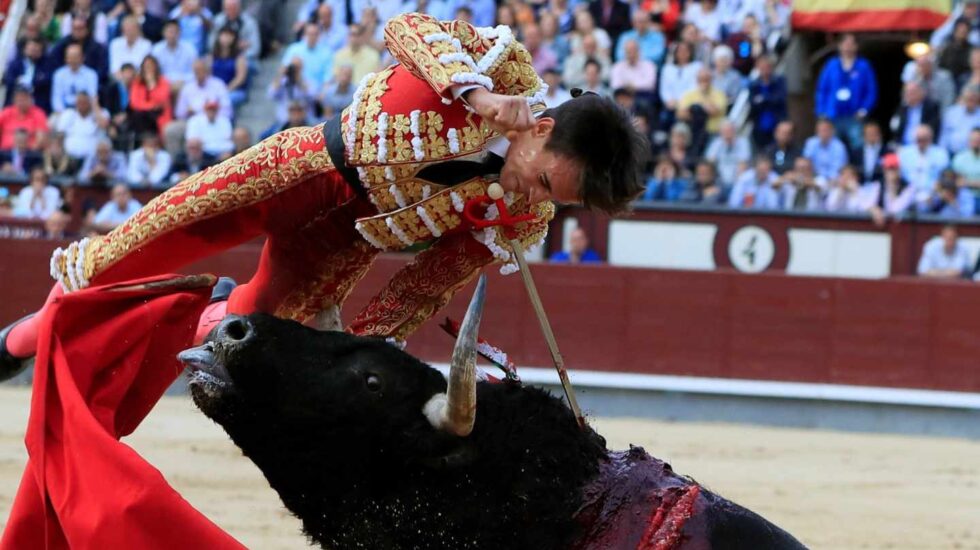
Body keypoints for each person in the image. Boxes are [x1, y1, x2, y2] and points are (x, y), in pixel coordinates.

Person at [0, 13, 650, 379]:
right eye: (542, 181)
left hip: (343, 245)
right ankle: (16, 344)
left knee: (236, 340)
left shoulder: (523, 216)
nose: (535, 198)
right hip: (299, 169)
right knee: (125, 253)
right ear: (540, 129)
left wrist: (368, 355)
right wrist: (477, 96)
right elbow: (407, 29)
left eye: (555, 201)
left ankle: (210, 313)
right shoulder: (506, 73)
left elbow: (425, 284)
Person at [814, 33, 877, 149]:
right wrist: (821, 111)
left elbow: (871, 91)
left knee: (857, 144)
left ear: (856, 47)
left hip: (854, 115)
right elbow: (822, 89)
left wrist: (864, 110)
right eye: (845, 44)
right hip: (833, 114)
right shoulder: (831, 65)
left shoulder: (863, 66)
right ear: (839, 46)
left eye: (851, 44)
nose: (848, 47)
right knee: (833, 145)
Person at [129, 55, 172, 137]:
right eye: (146, 66)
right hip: (143, 114)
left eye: (151, 66)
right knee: (139, 115)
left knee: (149, 115)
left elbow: (162, 100)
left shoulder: (163, 81)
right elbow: (134, 103)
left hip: (160, 114)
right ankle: (143, 142)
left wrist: (152, 84)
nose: (149, 69)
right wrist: (151, 106)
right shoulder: (137, 82)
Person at [890, 81, 941, 148]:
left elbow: (933, 128)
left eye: (913, 92)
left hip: (923, 146)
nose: (909, 95)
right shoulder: (901, 109)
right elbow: (895, 127)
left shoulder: (931, 107)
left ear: (921, 92)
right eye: (907, 93)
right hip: (902, 146)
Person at [50, 44, 99, 113]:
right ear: (65, 59)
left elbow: (93, 96)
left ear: (82, 57)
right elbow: (57, 98)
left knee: (105, 115)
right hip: (65, 110)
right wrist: (62, 112)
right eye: (70, 57)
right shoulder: (59, 74)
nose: (73, 60)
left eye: (75, 57)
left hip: (86, 110)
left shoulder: (91, 74)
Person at [209, 27, 250, 108]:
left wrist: (226, 90)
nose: (226, 38)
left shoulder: (239, 58)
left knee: (226, 100)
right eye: (224, 35)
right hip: (215, 90)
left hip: (234, 90)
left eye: (229, 36)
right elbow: (209, 76)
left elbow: (240, 78)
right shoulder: (211, 57)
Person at [151, 19, 197, 90]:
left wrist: (183, 81)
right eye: (170, 32)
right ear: (163, 33)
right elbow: (154, 72)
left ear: (180, 33)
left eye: (175, 32)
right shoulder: (157, 49)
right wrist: (167, 82)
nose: (172, 35)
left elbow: (195, 71)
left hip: (185, 84)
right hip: (163, 84)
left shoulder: (190, 48)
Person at [803, 117, 849, 182]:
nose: (822, 133)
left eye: (825, 130)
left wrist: (826, 181)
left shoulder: (839, 147)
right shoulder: (811, 142)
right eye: (820, 130)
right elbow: (806, 163)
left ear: (832, 131)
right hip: (812, 178)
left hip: (833, 181)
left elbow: (839, 169)